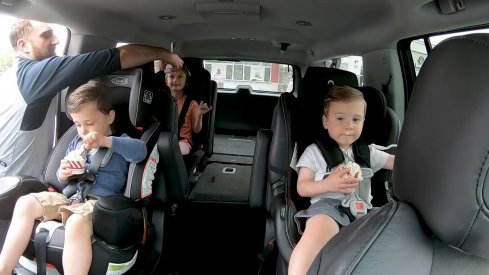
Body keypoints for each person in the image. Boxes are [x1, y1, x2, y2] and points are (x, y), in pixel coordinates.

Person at [0, 19, 183, 179]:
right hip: (15, 183)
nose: (56, 40)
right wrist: (163, 53)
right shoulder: (35, 76)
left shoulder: (10, 77)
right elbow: (121, 56)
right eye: (46, 35)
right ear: (23, 45)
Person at [0, 79, 147, 275]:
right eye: (77, 124)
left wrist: (105, 141)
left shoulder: (122, 143)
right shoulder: (76, 143)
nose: (83, 130)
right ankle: (4, 269)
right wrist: (64, 172)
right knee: (24, 203)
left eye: (89, 123)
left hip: (99, 204)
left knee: (76, 223)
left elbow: (140, 151)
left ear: (110, 117)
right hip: (70, 198)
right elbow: (61, 179)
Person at [288, 86, 395, 275]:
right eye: (340, 119)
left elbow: (394, 162)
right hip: (328, 208)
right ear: (325, 121)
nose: (349, 126)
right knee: (319, 226)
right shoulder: (314, 152)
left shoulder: (367, 152)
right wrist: (328, 185)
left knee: (394, 221)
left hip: (364, 209)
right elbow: (302, 188)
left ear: (363, 121)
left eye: (356, 119)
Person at [165, 65, 212, 155]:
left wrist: (199, 115)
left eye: (180, 76)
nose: (175, 80)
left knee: (174, 149)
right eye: (171, 76)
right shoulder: (162, 101)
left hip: (183, 142)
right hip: (164, 139)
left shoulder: (192, 104)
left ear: (186, 81)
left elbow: (196, 130)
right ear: (166, 81)